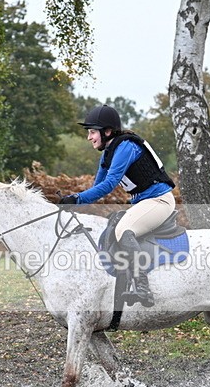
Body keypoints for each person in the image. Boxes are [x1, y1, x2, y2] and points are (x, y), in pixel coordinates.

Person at [59, 104, 175, 307]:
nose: (89, 137)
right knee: (113, 227)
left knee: (124, 230)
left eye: (92, 132)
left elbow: (110, 185)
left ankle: (143, 288)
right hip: (144, 202)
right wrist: (73, 200)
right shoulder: (109, 153)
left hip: (159, 201)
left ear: (107, 131)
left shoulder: (125, 147)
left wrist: (77, 199)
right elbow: (98, 188)